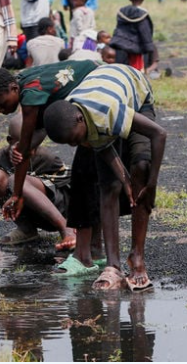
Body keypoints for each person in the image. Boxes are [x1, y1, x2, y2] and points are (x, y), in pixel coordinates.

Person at [42, 64, 166, 291]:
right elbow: (103, 144)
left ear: (80, 120)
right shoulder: (74, 113)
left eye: (74, 138)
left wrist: (152, 184)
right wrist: (123, 178)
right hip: (102, 99)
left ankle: (137, 258)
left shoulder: (105, 112)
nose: (76, 145)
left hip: (137, 95)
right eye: (70, 143)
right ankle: (113, 266)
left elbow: (159, 134)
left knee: (141, 166)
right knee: (108, 186)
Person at [0, 60, 103, 275]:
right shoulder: (26, 84)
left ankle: (88, 248)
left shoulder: (30, 96)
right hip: (89, 93)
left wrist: (18, 188)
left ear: (13, 89)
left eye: (1, 103)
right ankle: (93, 249)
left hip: (99, 84)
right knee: (91, 174)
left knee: (92, 174)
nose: (1, 110)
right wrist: (24, 149)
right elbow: (38, 131)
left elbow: (27, 146)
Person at [0, 115, 76, 251]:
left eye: (32, 144)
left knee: (16, 180)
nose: (28, 150)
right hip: (33, 214)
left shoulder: (46, 158)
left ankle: (66, 230)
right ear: (10, 140)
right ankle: (27, 229)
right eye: (21, 144)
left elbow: (78, 185)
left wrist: (82, 224)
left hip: (60, 213)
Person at [110, 0, 158, 75]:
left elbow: (118, 29)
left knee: (121, 72)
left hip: (120, 47)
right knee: (136, 74)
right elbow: (145, 33)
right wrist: (149, 49)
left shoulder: (122, 12)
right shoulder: (142, 15)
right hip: (135, 50)